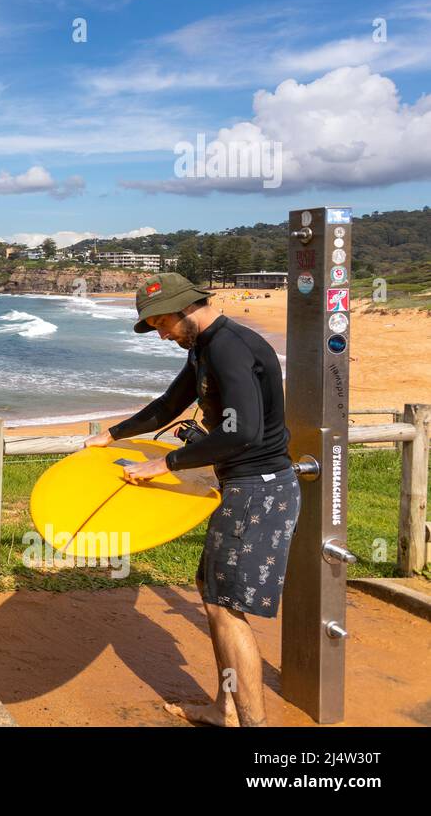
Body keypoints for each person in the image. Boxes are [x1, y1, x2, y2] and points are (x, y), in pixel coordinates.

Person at [83, 272, 299, 727]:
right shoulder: (204, 346)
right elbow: (169, 405)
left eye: (161, 323)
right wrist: (112, 434)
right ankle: (226, 709)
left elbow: (242, 430)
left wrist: (167, 464)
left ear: (186, 308)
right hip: (243, 485)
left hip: (258, 489)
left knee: (227, 608)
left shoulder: (229, 347)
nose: (161, 334)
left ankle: (252, 725)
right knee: (213, 593)